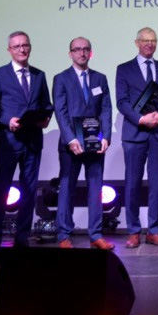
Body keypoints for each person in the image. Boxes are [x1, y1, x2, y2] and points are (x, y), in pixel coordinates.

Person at [0, 31, 53, 262]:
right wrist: (6, 121)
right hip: (9, 142)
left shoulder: (39, 75)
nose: (22, 49)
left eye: (25, 45)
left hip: (33, 142)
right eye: (17, 46)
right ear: (9, 50)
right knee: (0, 192)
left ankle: (22, 240)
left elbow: (47, 104)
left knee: (29, 192)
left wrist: (45, 119)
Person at [115, 27, 158, 248]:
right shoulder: (124, 69)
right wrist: (141, 119)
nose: (149, 44)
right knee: (132, 184)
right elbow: (122, 102)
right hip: (135, 134)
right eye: (145, 40)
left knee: (157, 184)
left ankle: (154, 231)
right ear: (137, 43)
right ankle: (133, 231)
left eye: (153, 40)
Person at [52, 37, 114, 250]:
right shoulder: (61, 79)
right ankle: (64, 235)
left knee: (96, 189)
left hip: (95, 143)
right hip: (71, 145)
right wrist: (70, 138)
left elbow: (106, 109)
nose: (81, 53)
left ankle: (95, 234)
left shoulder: (100, 78)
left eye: (85, 49)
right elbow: (60, 111)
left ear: (91, 53)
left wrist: (106, 137)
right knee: (67, 189)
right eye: (77, 49)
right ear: (70, 53)